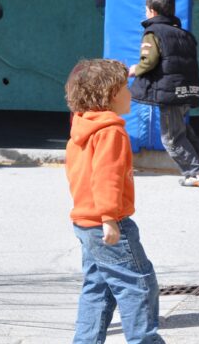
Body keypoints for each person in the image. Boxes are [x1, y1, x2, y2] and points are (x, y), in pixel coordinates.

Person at [65, 59, 164, 344]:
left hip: (85, 223)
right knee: (139, 284)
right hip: (108, 224)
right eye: (125, 88)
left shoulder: (81, 128)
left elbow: (79, 175)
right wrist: (109, 218)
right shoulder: (111, 132)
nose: (130, 93)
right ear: (108, 94)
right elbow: (106, 177)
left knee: (97, 288)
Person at [128, 0, 199, 187]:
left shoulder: (153, 32)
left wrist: (136, 69)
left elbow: (149, 61)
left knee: (171, 138)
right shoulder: (184, 35)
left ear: (151, 11)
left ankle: (196, 172)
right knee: (182, 130)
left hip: (169, 93)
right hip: (187, 90)